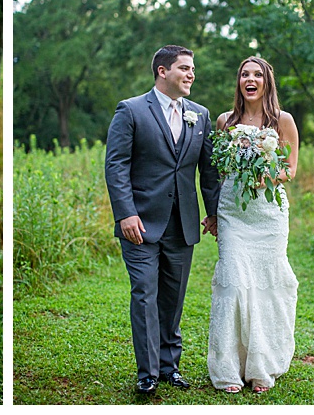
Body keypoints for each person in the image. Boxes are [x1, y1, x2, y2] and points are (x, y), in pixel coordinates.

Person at [104, 45, 220, 394]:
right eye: (184, 68)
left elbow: (208, 170)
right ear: (162, 71)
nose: (191, 75)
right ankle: (148, 373)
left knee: (173, 297)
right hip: (139, 223)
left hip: (182, 223)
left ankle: (170, 367)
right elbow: (116, 165)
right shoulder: (131, 110)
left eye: (193, 69)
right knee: (144, 293)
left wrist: (212, 211)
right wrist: (125, 212)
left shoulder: (199, 115)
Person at [207, 56, 300, 394]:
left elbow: (290, 168)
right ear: (239, 82)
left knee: (265, 286)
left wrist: (268, 176)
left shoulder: (283, 121)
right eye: (244, 74)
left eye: (257, 74)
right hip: (234, 212)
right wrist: (214, 213)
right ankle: (228, 368)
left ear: (266, 82)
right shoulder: (225, 121)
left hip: (268, 217)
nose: (250, 79)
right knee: (232, 286)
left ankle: (261, 365)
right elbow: (218, 171)